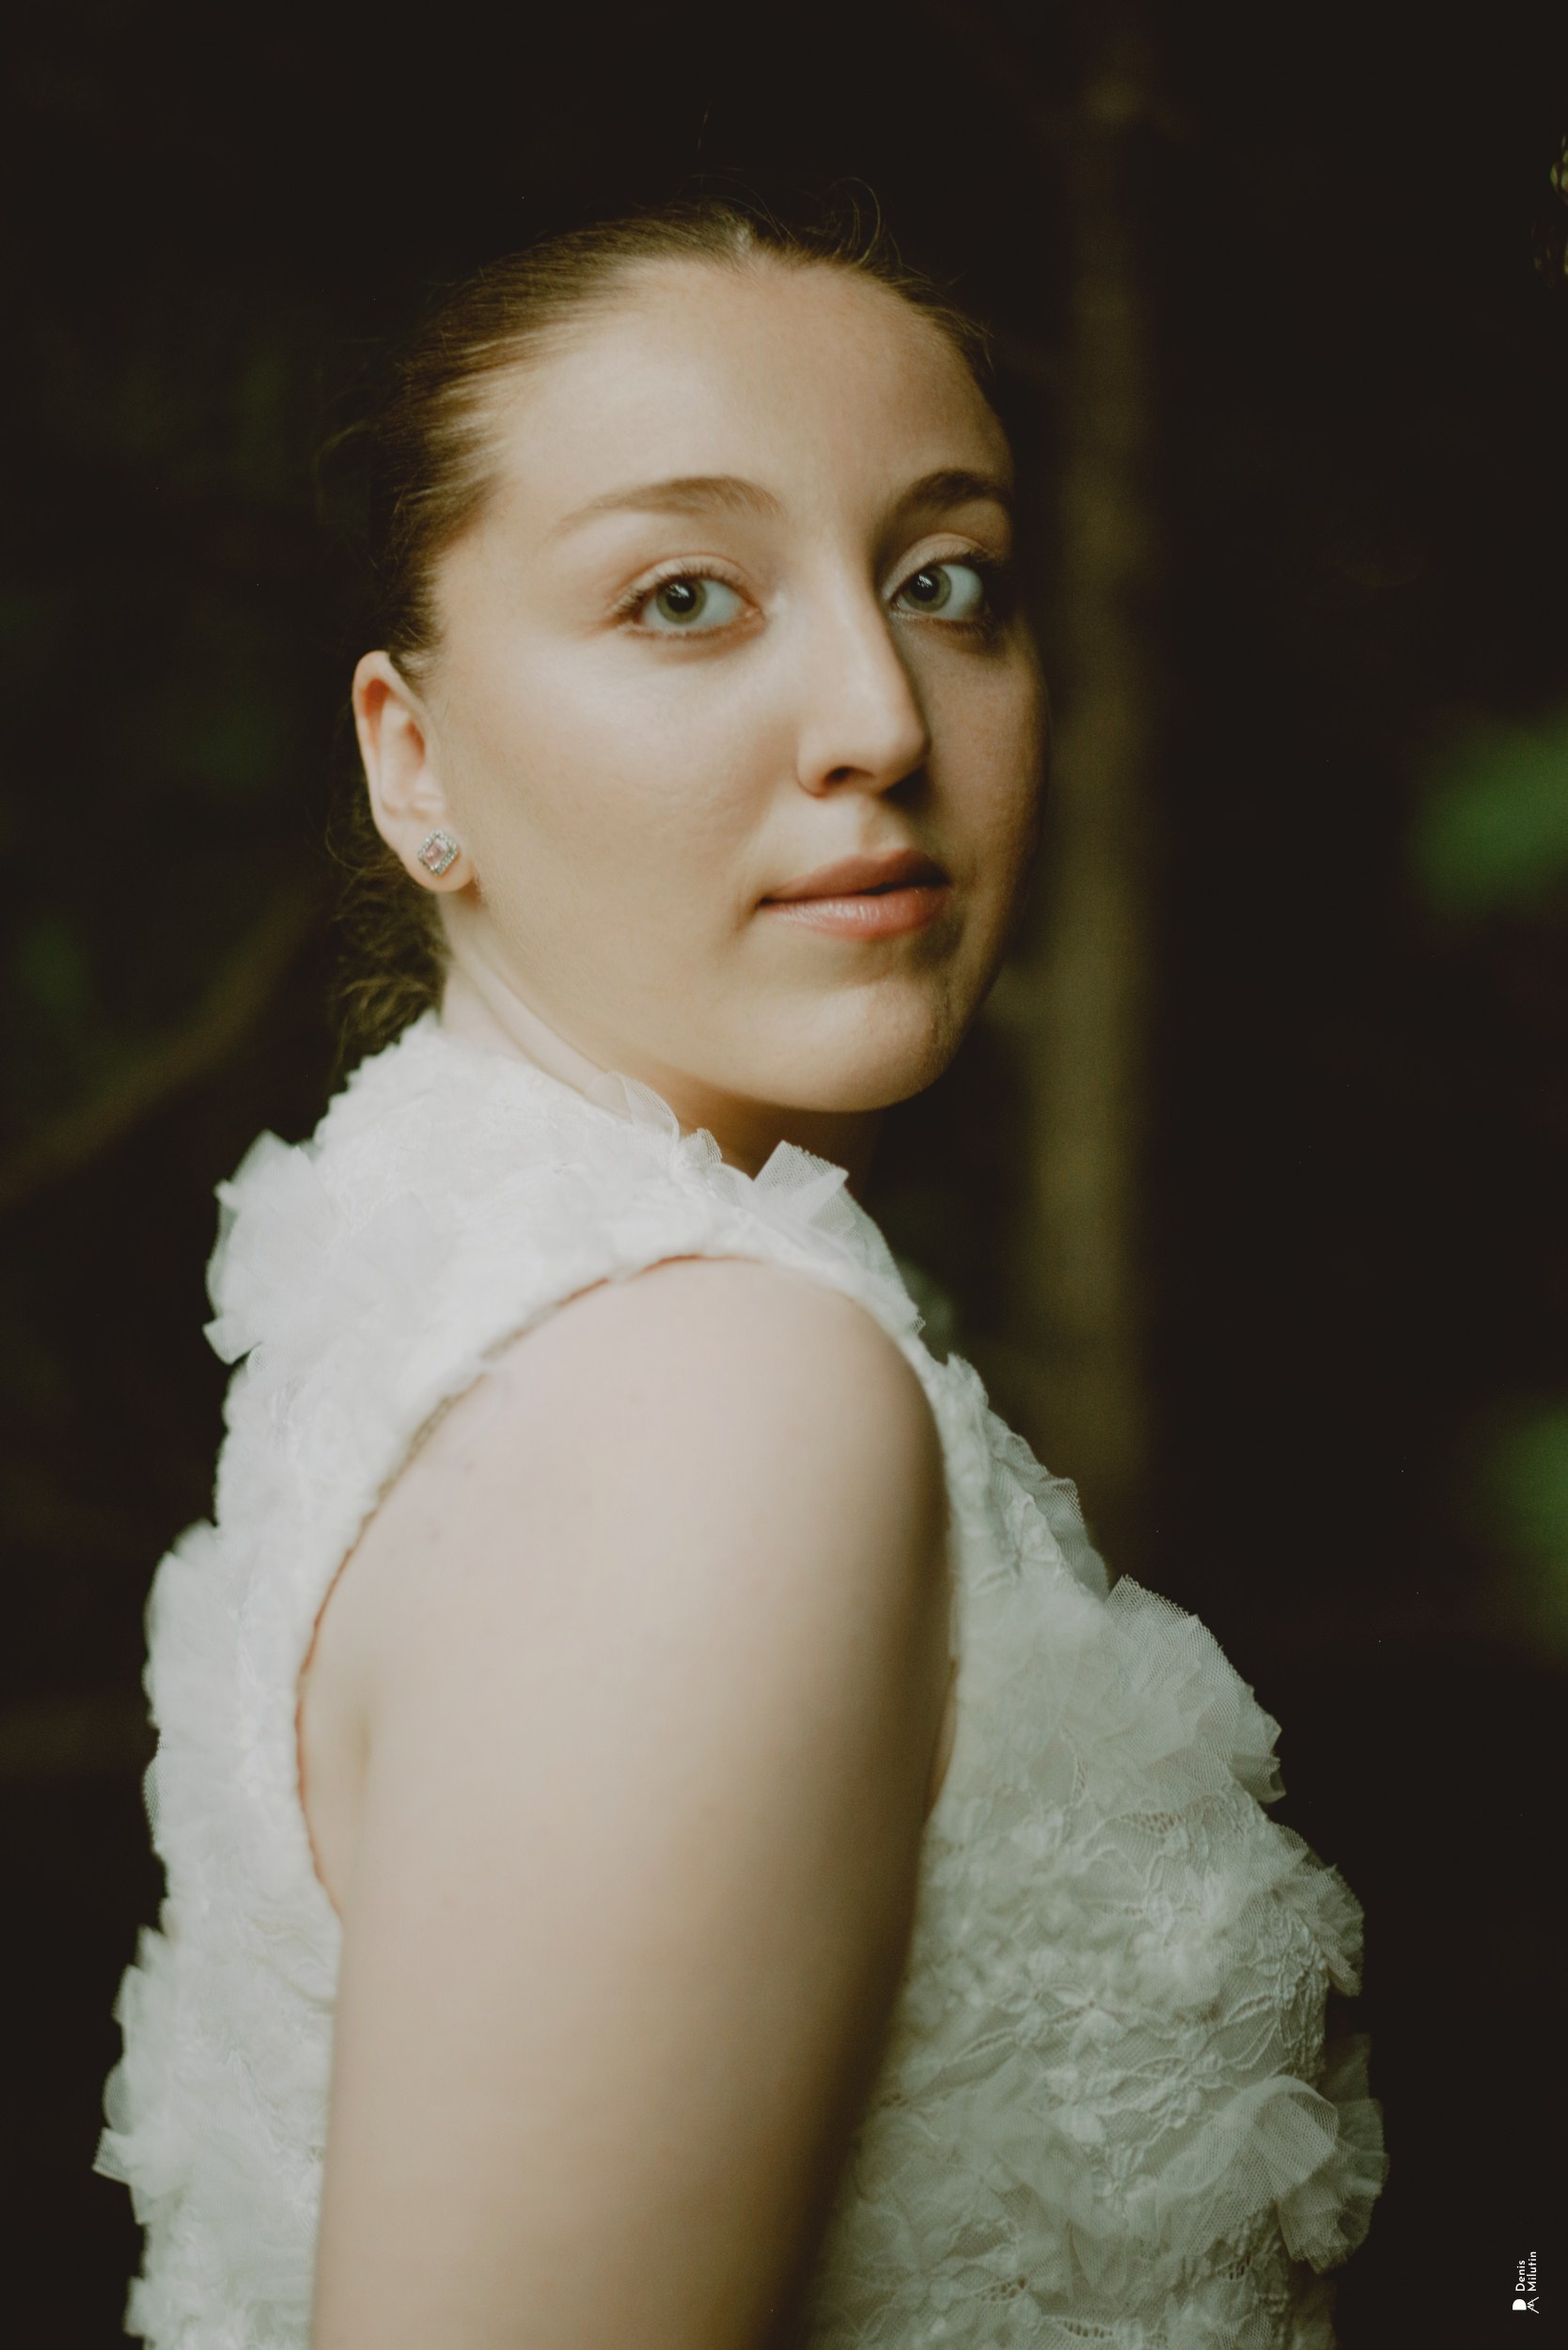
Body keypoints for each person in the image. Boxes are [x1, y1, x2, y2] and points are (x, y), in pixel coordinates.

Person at [95, 196, 1387, 2349]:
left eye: (947, 581)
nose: (881, 715)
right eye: (684, 596)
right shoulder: (702, 1395)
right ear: (413, 757)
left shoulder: (457, 1273)